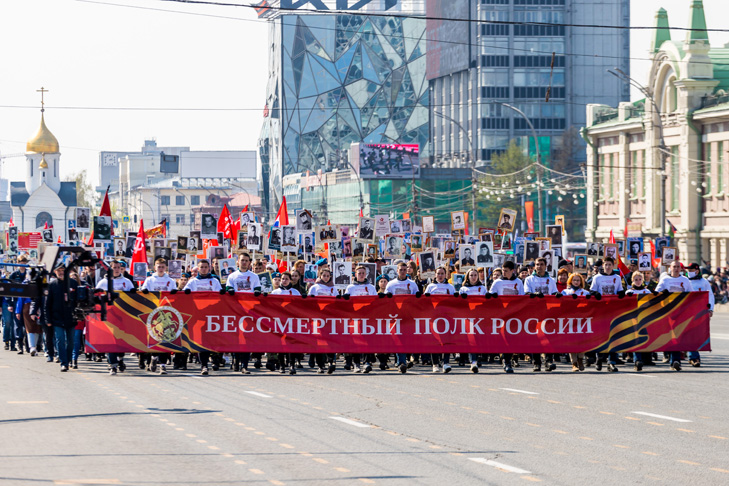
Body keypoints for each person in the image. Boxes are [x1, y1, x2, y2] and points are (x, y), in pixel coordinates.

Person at [654, 261, 693, 372]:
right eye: (674, 267)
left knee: (677, 336)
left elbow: (692, 295)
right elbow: (655, 293)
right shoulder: (665, 280)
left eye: (678, 267)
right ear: (670, 268)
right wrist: (663, 293)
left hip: (680, 312)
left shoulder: (685, 280)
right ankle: (673, 359)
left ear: (680, 269)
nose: (676, 268)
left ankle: (675, 360)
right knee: (671, 337)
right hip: (668, 312)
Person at [589, 257, 624, 372]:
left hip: (613, 311)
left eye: (610, 264)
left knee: (614, 336)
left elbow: (619, 290)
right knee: (602, 336)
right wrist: (595, 294)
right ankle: (599, 358)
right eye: (606, 265)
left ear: (613, 266)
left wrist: (621, 293)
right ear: (603, 266)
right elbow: (591, 291)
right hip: (601, 311)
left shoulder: (617, 278)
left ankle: (612, 362)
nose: (608, 267)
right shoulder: (597, 277)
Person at [523, 257, 558, 372]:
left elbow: (554, 292)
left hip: (547, 311)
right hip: (533, 311)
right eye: (537, 264)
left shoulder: (551, 280)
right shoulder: (529, 279)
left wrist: (557, 295)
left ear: (545, 266)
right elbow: (526, 293)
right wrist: (534, 294)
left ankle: (548, 361)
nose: (539, 266)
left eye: (541, 264)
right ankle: (536, 362)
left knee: (548, 336)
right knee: (535, 337)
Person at [42, 264, 78, 372]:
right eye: (59, 271)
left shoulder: (73, 283)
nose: (61, 272)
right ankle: (64, 363)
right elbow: (47, 304)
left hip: (71, 318)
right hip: (57, 318)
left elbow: (78, 300)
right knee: (60, 340)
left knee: (71, 342)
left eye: (63, 270)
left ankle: (68, 359)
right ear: (55, 272)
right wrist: (48, 320)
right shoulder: (52, 285)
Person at [385, 262, 418, 374]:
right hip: (396, 316)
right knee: (399, 339)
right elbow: (385, 300)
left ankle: (407, 359)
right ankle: (401, 363)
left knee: (409, 339)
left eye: (405, 269)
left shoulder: (412, 284)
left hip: (409, 315)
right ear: (397, 271)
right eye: (401, 270)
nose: (403, 272)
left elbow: (418, 300)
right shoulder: (391, 284)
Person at [686, 262, 714, 367]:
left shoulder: (704, 282)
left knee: (695, 335)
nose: (689, 272)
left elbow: (710, 295)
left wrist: (710, 309)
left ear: (697, 271)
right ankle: (691, 356)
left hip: (700, 312)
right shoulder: (685, 281)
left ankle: (693, 356)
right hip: (687, 312)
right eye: (688, 270)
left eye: (691, 270)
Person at [561, 273, 590, 371]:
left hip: (582, 319)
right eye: (574, 280)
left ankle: (580, 359)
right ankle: (574, 363)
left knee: (582, 340)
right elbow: (562, 304)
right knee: (572, 341)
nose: (576, 282)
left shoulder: (585, 292)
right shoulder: (565, 292)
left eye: (578, 280)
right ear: (571, 281)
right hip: (570, 319)